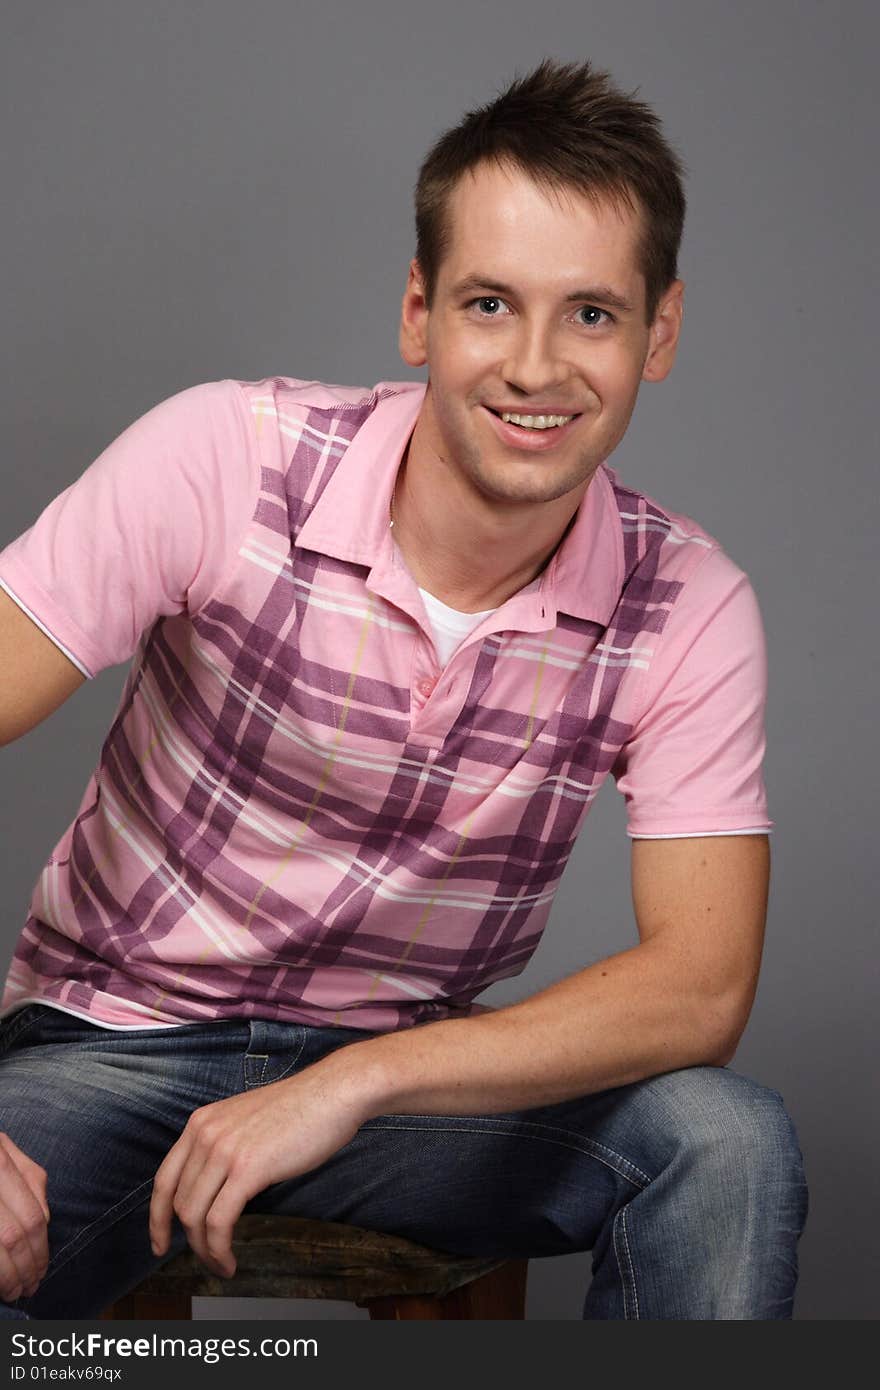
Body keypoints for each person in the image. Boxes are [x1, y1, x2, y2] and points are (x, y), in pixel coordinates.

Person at [0, 58, 808, 1320]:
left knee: (728, 1141)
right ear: (418, 314)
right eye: (492, 303)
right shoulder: (226, 459)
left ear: (660, 332)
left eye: (590, 314)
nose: (537, 367)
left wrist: (355, 1083)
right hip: (112, 1051)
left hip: (408, 1095)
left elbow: (702, 986)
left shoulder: (689, 604)